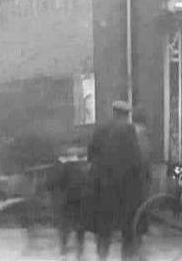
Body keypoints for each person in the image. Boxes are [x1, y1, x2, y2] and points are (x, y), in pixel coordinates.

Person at [88, 100, 143, 261]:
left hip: (102, 185)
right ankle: (126, 257)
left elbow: (90, 153)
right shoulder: (128, 130)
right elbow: (135, 158)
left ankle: (102, 255)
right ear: (126, 115)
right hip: (123, 186)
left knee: (104, 225)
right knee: (127, 224)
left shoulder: (99, 129)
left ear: (113, 113)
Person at [47, 145, 90, 261]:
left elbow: (50, 184)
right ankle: (79, 253)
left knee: (64, 227)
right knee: (79, 228)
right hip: (80, 200)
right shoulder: (84, 165)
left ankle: (64, 252)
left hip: (64, 201)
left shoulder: (60, 165)